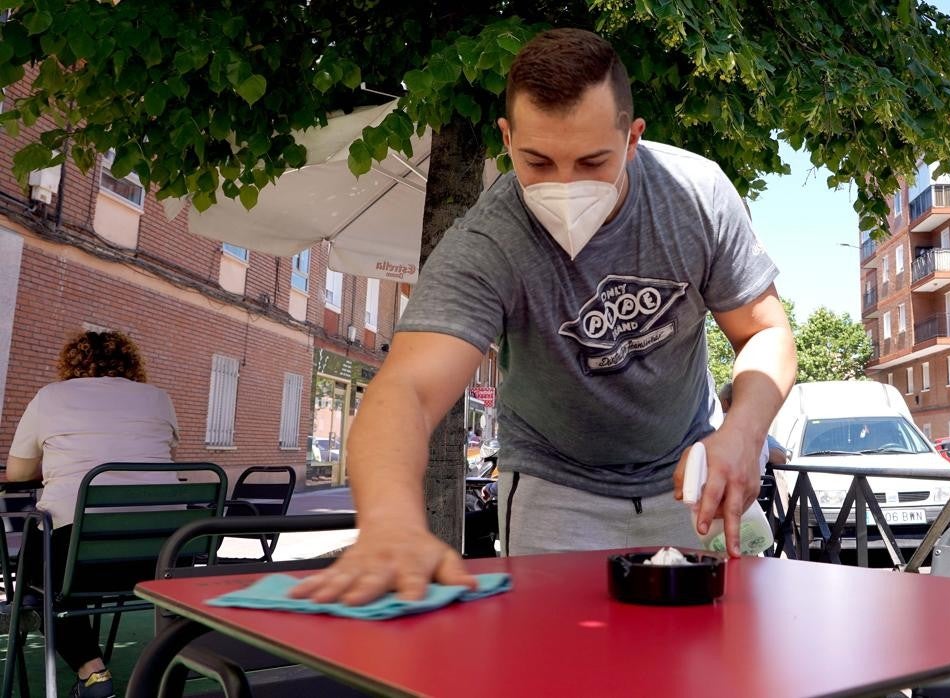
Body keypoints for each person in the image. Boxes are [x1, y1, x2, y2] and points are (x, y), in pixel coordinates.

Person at [293, 28, 795, 606]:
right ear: (506, 139)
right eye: (537, 160)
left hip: (695, 476)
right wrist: (388, 519)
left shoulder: (697, 196)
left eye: (592, 160)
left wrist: (742, 431)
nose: (565, 185)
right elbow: (405, 387)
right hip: (555, 488)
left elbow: (765, 331)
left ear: (633, 139)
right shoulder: (489, 240)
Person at [6, 330, 180, 698]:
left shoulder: (51, 396)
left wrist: (56, 465)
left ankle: (92, 672)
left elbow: (17, 476)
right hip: (158, 555)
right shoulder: (158, 399)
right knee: (60, 559)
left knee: (41, 566)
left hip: (78, 556)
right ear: (131, 363)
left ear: (72, 363)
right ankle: (39, 606)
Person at [717, 380, 788, 467]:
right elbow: (781, 457)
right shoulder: (756, 430)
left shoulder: (712, 424)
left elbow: (781, 457)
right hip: (754, 479)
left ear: (725, 403)